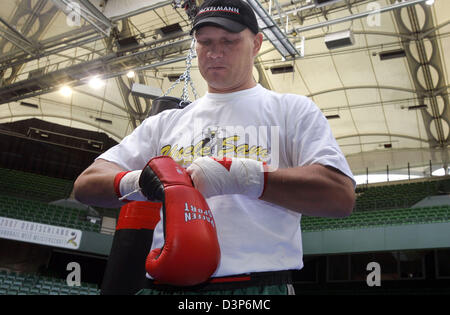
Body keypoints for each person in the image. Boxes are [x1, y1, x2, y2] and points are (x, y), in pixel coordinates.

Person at [73, 0, 356, 295]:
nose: (215, 52)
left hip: (254, 288)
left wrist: (242, 177)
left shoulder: (290, 110)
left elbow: (339, 196)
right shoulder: (166, 122)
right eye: (205, 42)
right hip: (164, 285)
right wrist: (139, 182)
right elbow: (86, 184)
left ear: (257, 43)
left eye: (229, 41)